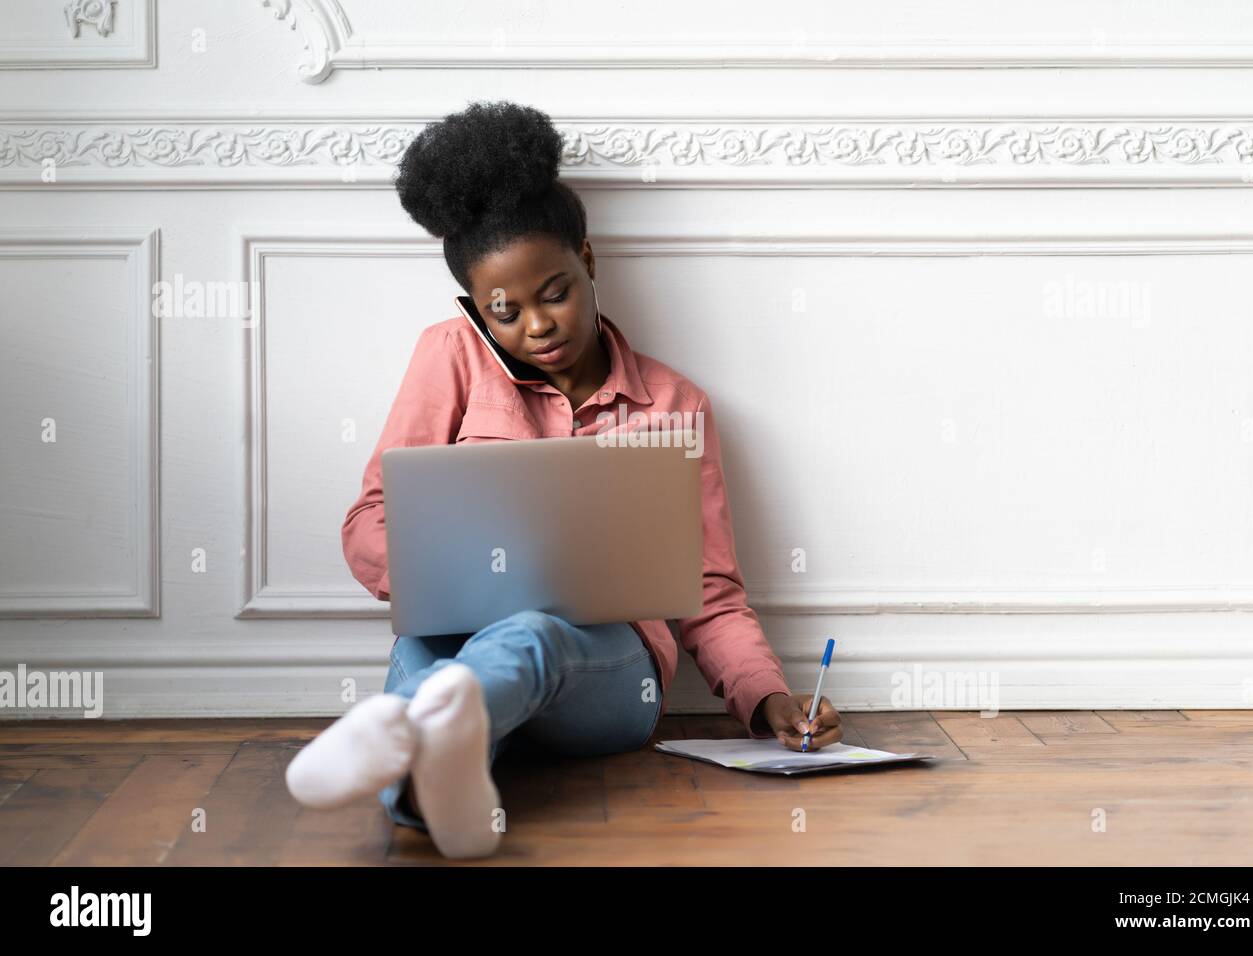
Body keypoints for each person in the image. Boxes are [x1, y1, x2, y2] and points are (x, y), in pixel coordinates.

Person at [284, 100, 841, 859]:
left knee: (531, 635)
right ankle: (437, 794)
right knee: (431, 657)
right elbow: (369, 523)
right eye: (504, 312)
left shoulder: (676, 406)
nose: (537, 326)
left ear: (589, 259)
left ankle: (396, 734)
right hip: (456, 644)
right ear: (474, 311)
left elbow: (708, 591)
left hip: (605, 681)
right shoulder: (448, 356)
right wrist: (454, 574)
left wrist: (766, 697)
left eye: (555, 292)